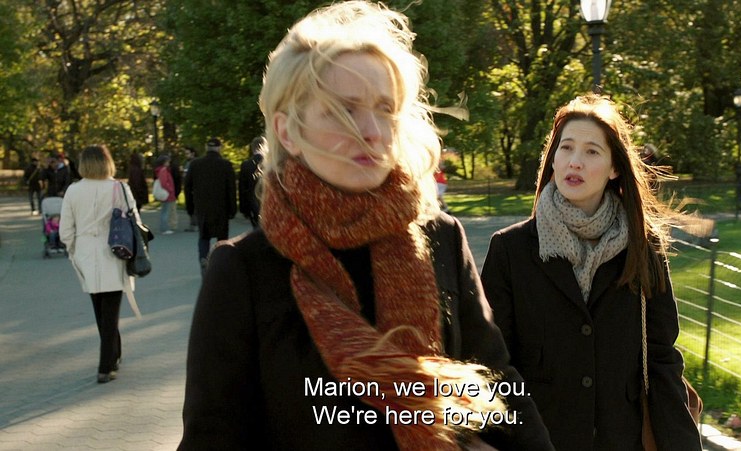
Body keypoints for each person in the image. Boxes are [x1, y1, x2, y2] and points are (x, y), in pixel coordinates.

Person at [179, 2, 553, 450]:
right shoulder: (243, 270)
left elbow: (498, 384)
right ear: (287, 131)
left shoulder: (441, 237)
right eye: (343, 110)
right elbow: (212, 436)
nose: (372, 131)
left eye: (385, 109)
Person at [480, 95, 702, 450]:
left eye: (592, 151)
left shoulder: (644, 248)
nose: (575, 161)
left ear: (615, 168)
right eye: (566, 148)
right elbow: (493, 364)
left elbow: (661, 360)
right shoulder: (511, 250)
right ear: (553, 159)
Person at [59, 144, 144, 384]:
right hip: (115, 251)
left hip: (85, 254)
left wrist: (74, 251)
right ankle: (107, 364)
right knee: (111, 312)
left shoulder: (74, 190)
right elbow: (135, 222)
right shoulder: (120, 188)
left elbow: (65, 231)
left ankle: (111, 358)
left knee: (100, 311)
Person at [183, 137, 236, 275]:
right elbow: (231, 189)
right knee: (222, 238)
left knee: (204, 236)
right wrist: (233, 209)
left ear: (206, 148)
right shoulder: (226, 165)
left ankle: (203, 258)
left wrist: (190, 207)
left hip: (202, 207)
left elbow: (187, 187)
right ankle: (220, 264)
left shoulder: (195, 164)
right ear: (219, 148)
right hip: (221, 208)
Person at [238, 136, 266, 228]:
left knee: (257, 229)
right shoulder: (271, 163)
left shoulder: (246, 165)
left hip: (253, 205)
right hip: (269, 204)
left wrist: (244, 209)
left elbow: (242, 188)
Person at [154, 154, 177, 234]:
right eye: (168, 162)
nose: (169, 163)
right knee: (165, 211)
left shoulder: (161, 170)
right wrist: (170, 189)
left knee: (164, 211)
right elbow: (164, 183)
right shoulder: (163, 170)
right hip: (167, 194)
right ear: (164, 162)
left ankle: (164, 228)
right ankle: (164, 229)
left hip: (166, 193)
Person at [181, 147, 198, 232]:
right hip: (189, 187)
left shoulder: (194, 163)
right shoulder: (188, 162)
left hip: (192, 187)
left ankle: (194, 225)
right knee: (191, 206)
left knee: (193, 206)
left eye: (187, 153)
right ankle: (193, 224)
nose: (186, 155)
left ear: (193, 153)